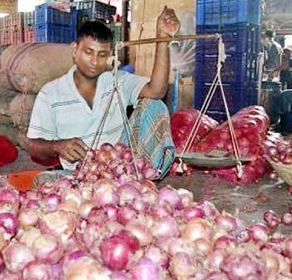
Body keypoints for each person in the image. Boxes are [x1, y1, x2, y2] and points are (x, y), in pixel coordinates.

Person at [27, 6, 180, 182]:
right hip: (80, 173)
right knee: (44, 181)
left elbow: (156, 90)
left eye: (101, 55)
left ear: (109, 56)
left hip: (121, 168)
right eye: (88, 52)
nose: (94, 61)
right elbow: (34, 147)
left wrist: (162, 39)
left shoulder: (118, 80)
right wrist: (57, 146)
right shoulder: (51, 94)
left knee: (154, 104)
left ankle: (141, 181)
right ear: (75, 50)